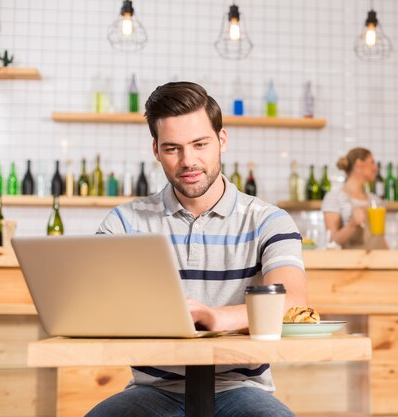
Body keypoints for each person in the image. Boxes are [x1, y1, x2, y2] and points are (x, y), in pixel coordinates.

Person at [86, 82, 306, 417]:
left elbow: (293, 301)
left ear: (221, 141)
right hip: (153, 390)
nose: (189, 161)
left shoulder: (269, 220)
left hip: (240, 390)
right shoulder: (124, 223)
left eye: (200, 144)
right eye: (173, 148)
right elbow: (95, 303)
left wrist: (217, 317)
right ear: (156, 150)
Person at [322, 148, 381, 249]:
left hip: (375, 261)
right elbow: (331, 240)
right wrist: (353, 224)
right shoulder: (334, 197)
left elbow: (379, 239)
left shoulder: (375, 200)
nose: (375, 168)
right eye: (372, 163)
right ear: (359, 164)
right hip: (347, 263)